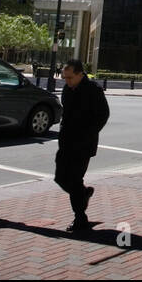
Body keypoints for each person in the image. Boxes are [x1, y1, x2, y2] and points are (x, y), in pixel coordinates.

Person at [54, 58, 109, 233]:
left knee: (75, 179)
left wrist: (88, 134)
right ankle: (83, 194)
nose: (67, 81)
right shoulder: (67, 89)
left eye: (70, 77)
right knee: (61, 177)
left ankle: (80, 218)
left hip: (83, 144)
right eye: (65, 77)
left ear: (80, 74)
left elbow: (103, 115)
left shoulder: (93, 90)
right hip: (66, 142)